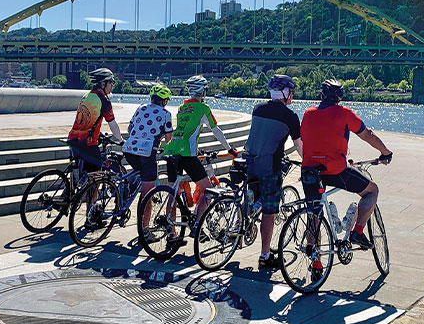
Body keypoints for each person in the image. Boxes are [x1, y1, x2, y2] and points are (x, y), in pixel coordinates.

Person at [300, 79, 392, 252]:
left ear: (321, 96)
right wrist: (385, 152)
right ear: (340, 97)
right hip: (336, 170)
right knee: (372, 191)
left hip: (310, 170)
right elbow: (367, 135)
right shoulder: (345, 113)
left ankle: (316, 263)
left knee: (314, 216)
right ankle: (357, 231)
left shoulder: (307, 113)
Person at [160, 75, 236, 241]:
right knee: (208, 190)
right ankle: (197, 226)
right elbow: (216, 130)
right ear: (202, 91)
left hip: (172, 150)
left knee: (173, 193)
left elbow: (185, 130)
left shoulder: (182, 107)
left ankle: (171, 233)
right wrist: (230, 149)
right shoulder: (203, 108)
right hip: (187, 154)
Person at [244, 74, 303, 270]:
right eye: (291, 93)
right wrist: (309, 162)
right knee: (270, 211)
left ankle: (243, 219)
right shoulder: (290, 116)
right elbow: (298, 145)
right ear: (285, 93)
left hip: (250, 162)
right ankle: (265, 255)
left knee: (253, 196)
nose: (292, 96)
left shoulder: (258, 109)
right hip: (270, 167)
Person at [123, 83, 174, 233]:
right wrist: (167, 150)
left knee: (139, 172)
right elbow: (168, 138)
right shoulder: (166, 114)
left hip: (130, 149)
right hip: (147, 153)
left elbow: (130, 128)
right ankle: (145, 231)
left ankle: (129, 185)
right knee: (148, 194)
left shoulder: (140, 108)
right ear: (164, 101)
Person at [67, 68, 124, 180]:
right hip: (88, 143)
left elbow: (86, 121)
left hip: (73, 138)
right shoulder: (104, 101)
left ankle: (71, 193)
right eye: (111, 82)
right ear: (103, 84)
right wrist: (121, 140)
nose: (112, 85)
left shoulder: (87, 96)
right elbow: (112, 124)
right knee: (96, 176)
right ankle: (91, 198)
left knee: (79, 176)